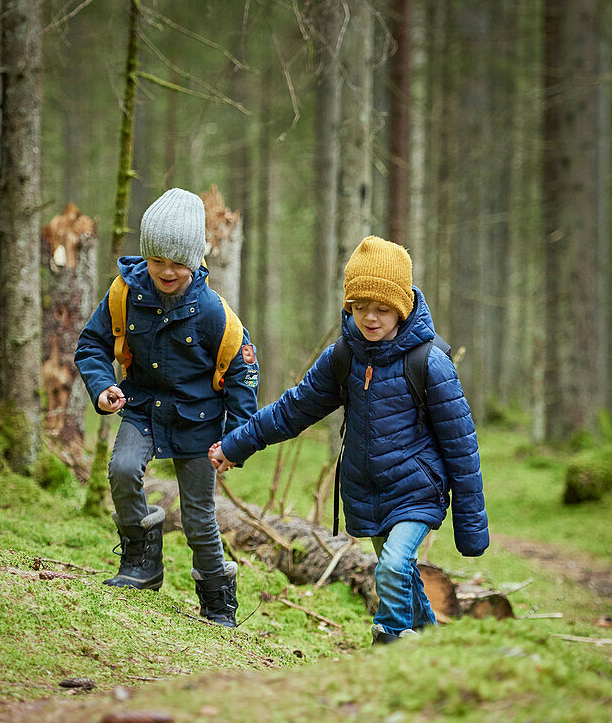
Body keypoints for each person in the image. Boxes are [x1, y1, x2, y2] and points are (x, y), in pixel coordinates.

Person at [210, 236, 488, 644]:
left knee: (392, 567)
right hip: (367, 490)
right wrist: (237, 444)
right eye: (359, 308)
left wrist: (471, 527)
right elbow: (293, 410)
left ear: (402, 308)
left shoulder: (430, 362)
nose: (369, 318)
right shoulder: (344, 357)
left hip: (415, 491)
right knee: (402, 575)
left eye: (381, 309)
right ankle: (433, 644)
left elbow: (461, 447)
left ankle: (388, 643)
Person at [74, 187, 258, 628]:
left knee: (198, 517)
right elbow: (91, 343)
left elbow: (242, 374)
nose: (167, 271)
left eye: (178, 262)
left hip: (198, 422)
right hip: (141, 408)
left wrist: (237, 440)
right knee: (121, 471)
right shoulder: (124, 292)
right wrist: (102, 387)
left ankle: (217, 598)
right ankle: (141, 560)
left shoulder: (213, 311)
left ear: (195, 259)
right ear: (146, 255)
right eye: (157, 261)